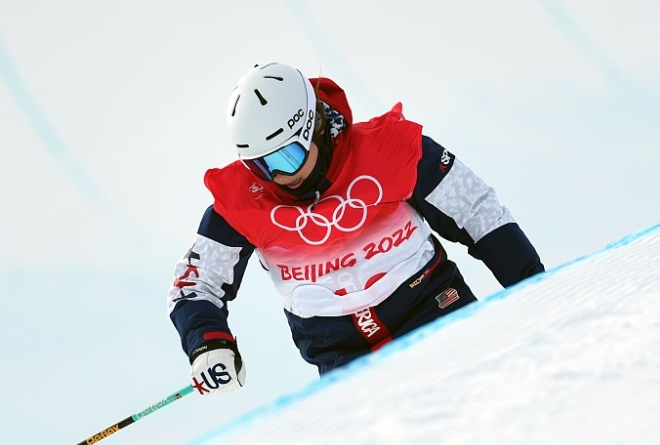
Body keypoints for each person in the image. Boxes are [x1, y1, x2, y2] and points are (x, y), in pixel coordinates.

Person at [168, 62, 544, 395]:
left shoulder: (390, 150)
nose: (280, 177)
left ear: (313, 127)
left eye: (287, 156)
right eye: (261, 166)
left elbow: (478, 212)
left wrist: (532, 288)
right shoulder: (244, 199)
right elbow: (194, 283)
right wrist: (206, 342)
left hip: (433, 313)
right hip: (342, 357)